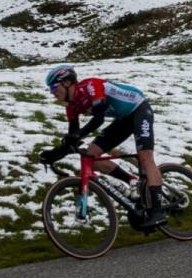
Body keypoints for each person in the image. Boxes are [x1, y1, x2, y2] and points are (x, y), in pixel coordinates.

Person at [39, 65, 166, 226]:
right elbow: (73, 140)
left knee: (145, 157)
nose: (52, 92)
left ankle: (158, 211)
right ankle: (132, 180)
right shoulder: (71, 107)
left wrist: (76, 136)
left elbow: (98, 119)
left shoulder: (90, 86)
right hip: (123, 119)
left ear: (67, 82)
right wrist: (53, 154)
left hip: (139, 109)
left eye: (53, 87)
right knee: (91, 156)